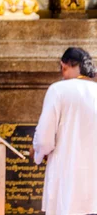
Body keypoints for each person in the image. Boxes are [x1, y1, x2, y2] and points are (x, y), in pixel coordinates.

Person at [32, 47, 97, 215]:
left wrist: (38, 153)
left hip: (67, 176)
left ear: (66, 65)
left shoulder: (58, 90)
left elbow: (45, 138)